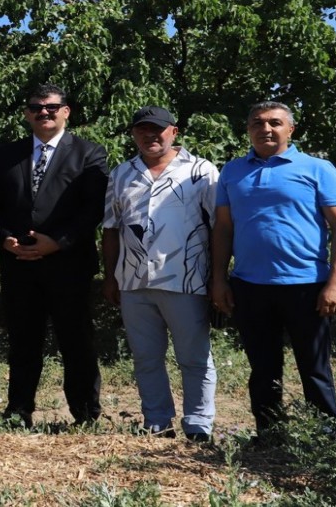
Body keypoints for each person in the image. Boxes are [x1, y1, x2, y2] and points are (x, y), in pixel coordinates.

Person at [211, 101, 336, 438]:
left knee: (314, 368)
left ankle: (325, 437)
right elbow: (223, 229)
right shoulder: (232, 171)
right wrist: (218, 279)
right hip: (250, 286)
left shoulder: (318, 169)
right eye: (257, 123)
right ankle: (269, 435)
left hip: (307, 286)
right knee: (263, 368)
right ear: (248, 130)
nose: (266, 129)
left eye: (275, 122)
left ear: (290, 129)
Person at [0, 83, 107, 428]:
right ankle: (18, 411)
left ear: (66, 111)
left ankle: (85, 414)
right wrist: (4, 238)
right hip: (19, 263)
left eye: (51, 107)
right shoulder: (9, 154)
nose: (44, 113)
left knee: (76, 341)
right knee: (23, 340)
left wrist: (59, 242)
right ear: (27, 114)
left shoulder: (89, 153)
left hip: (69, 264)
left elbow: (93, 208)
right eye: (36, 107)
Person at [102, 106, 218, 441]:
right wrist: (110, 276)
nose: (150, 135)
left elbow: (219, 227)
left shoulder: (201, 171)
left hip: (186, 279)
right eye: (142, 129)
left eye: (158, 129)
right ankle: (157, 422)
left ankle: (198, 425)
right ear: (133, 134)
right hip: (133, 281)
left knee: (194, 357)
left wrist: (218, 277)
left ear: (174, 132)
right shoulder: (121, 173)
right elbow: (111, 228)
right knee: (146, 357)